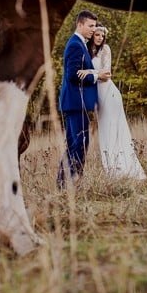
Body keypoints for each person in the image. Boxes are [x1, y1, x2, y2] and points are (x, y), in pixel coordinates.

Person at [89, 25, 147, 180]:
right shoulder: (87, 51)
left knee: (115, 128)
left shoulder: (105, 49)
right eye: (97, 35)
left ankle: (126, 168)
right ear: (92, 36)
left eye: (102, 35)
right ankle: (113, 170)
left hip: (109, 93)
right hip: (97, 96)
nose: (100, 38)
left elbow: (106, 74)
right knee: (105, 130)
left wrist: (88, 73)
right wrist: (94, 74)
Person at [57, 10, 99, 187]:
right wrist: (95, 75)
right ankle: (71, 182)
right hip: (75, 102)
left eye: (95, 26)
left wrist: (90, 72)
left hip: (75, 102)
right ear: (80, 24)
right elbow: (73, 75)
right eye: (90, 26)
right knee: (80, 142)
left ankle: (63, 183)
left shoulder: (80, 44)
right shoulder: (75, 45)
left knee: (75, 143)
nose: (93, 30)